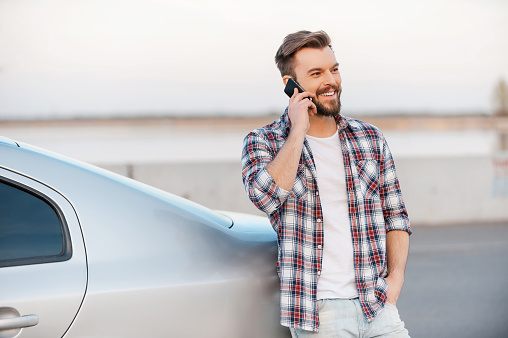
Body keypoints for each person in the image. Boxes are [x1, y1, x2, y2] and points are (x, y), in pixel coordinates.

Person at [241, 30, 412, 337]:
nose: (330, 81)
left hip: (378, 305)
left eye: (334, 69)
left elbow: (396, 215)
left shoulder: (370, 138)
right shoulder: (263, 142)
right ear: (290, 85)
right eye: (316, 73)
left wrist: (396, 279)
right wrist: (298, 131)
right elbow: (265, 197)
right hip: (319, 315)